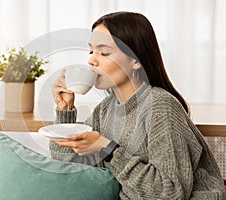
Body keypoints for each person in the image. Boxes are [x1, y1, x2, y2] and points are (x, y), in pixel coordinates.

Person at [50, 11, 224, 199]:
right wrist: (65, 111)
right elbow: (68, 164)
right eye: (91, 51)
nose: (91, 60)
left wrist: (108, 150)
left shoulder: (161, 107)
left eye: (104, 52)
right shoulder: (105, 109)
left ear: (135, 61)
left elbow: (170, 193)